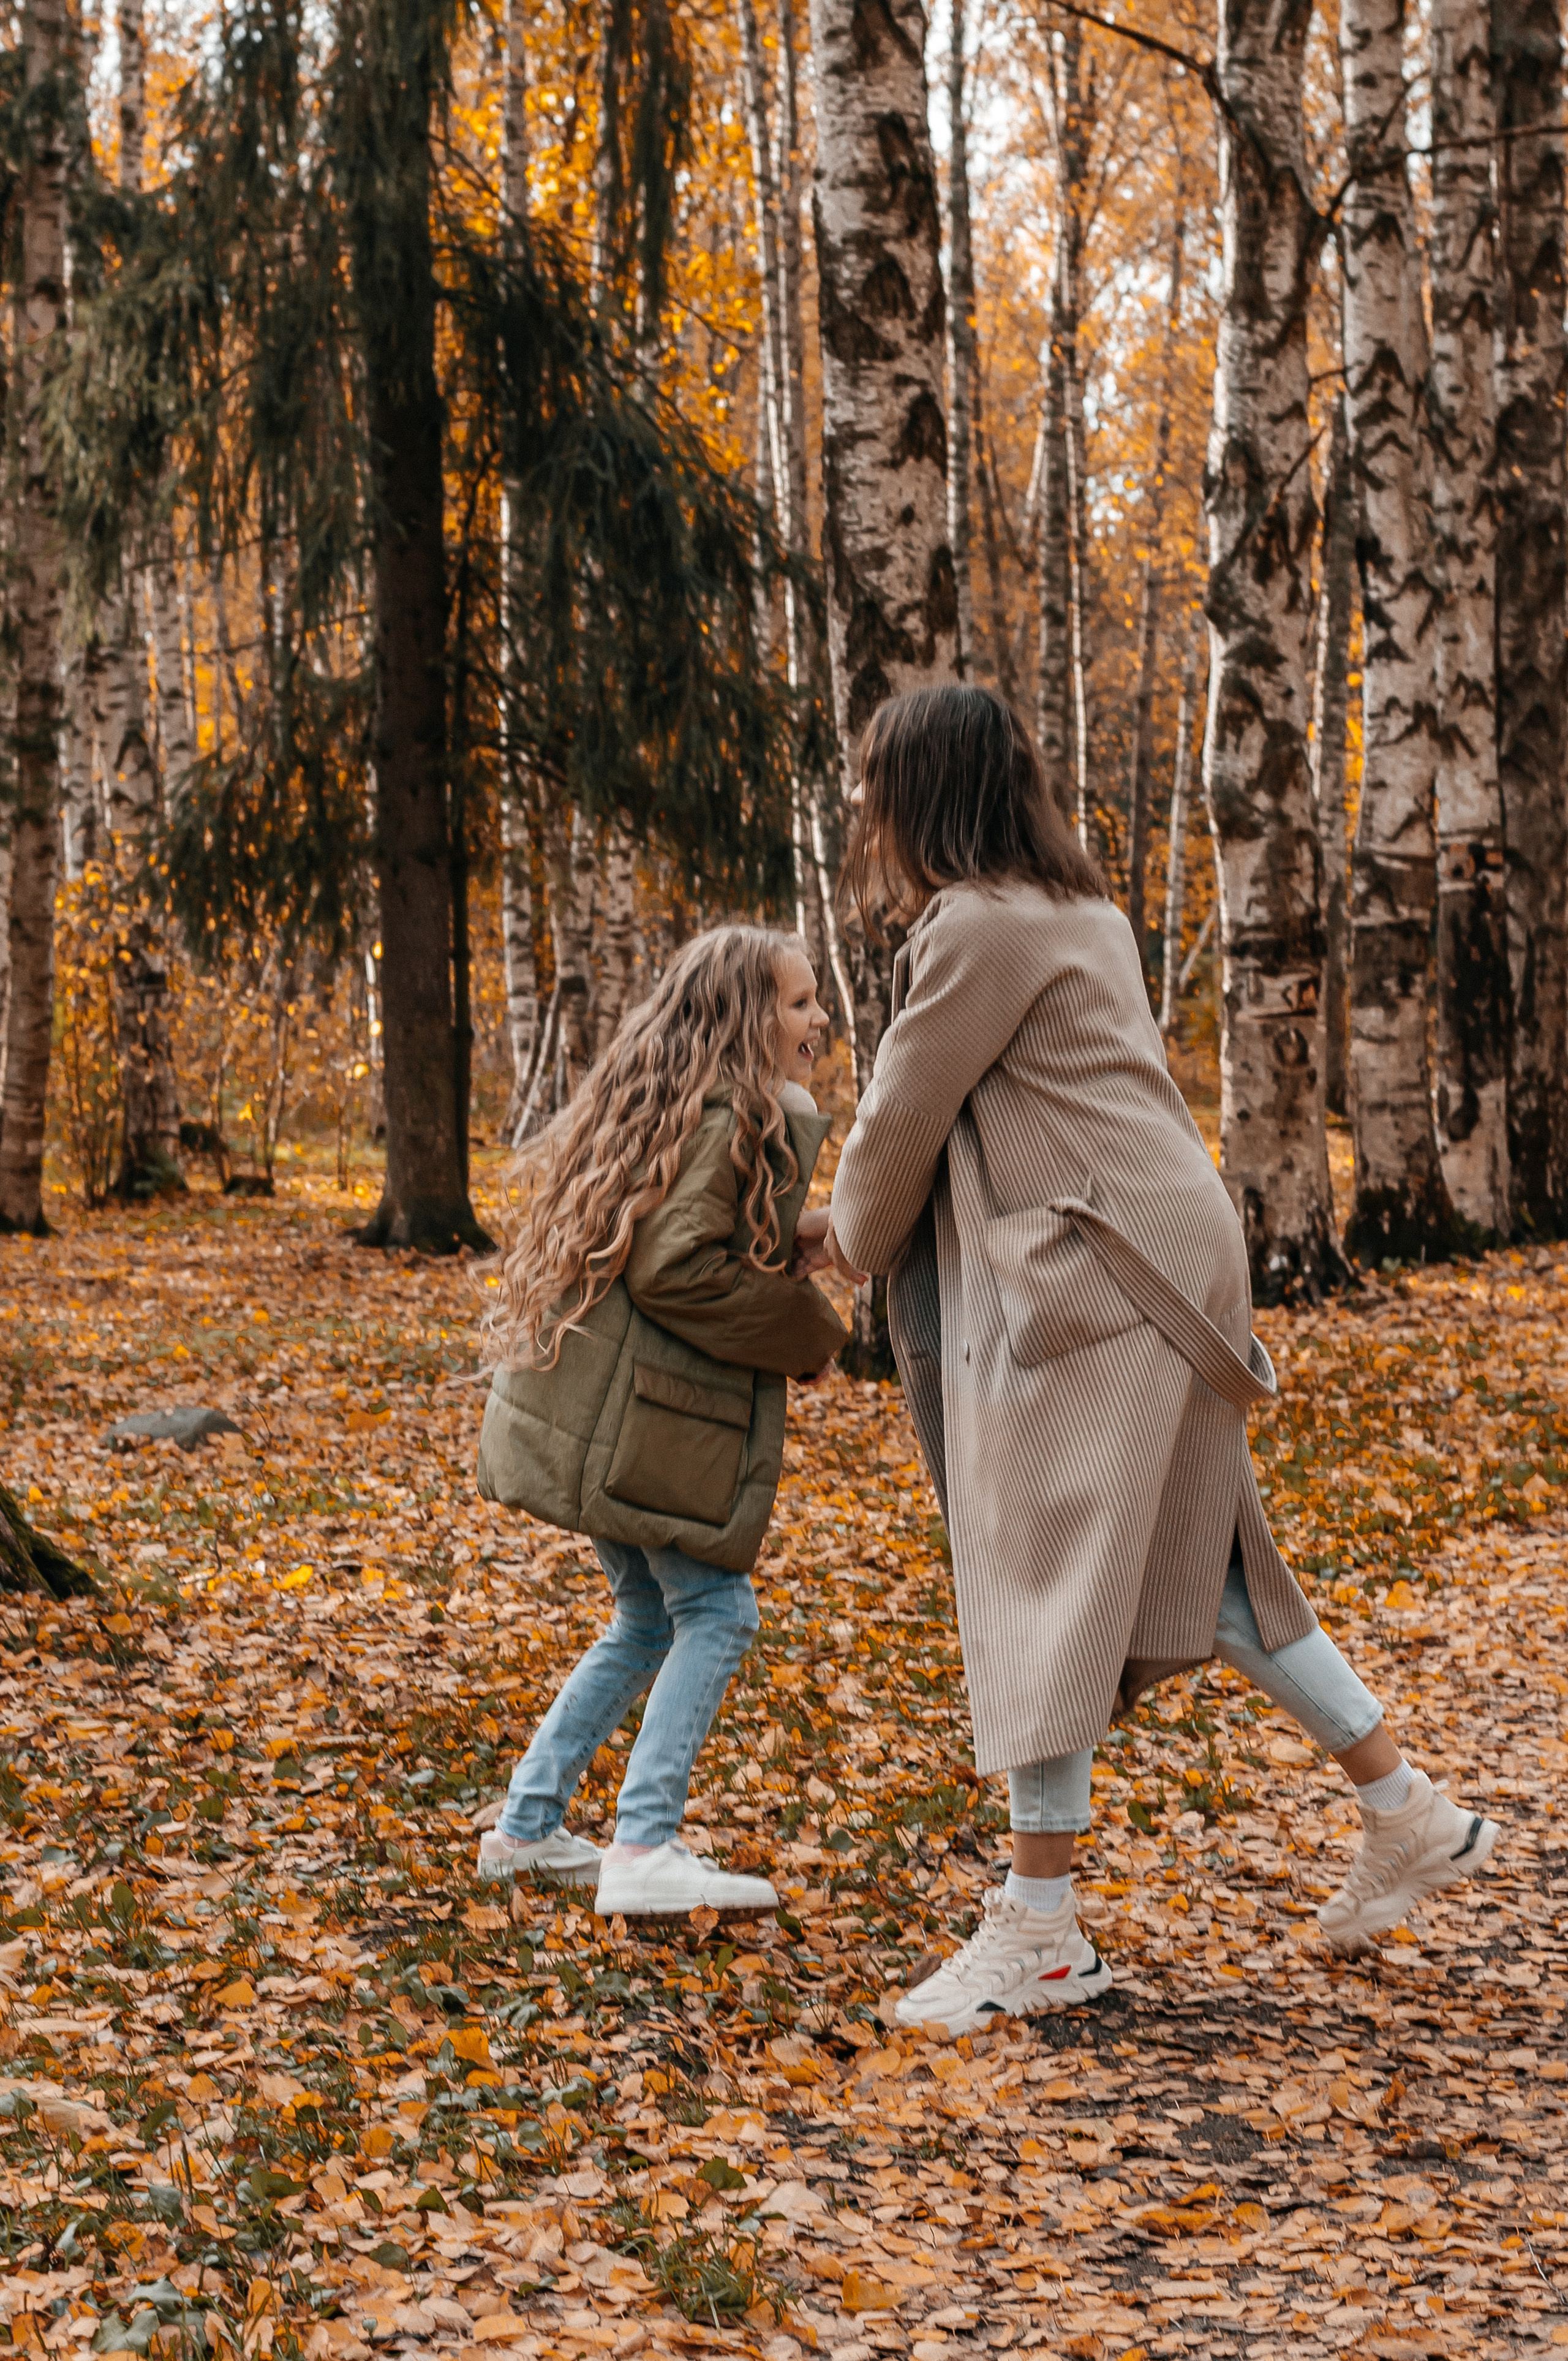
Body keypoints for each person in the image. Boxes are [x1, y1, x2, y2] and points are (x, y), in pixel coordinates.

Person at [801, 684, 1500, 2034]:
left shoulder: (975, 930)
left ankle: (1039, 1927)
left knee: (1044, 1563)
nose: (859, 812)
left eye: (871, 786)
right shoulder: (1076, 911)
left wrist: (835, 1235)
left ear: (923, 794)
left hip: (1096, 1266)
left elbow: (897, 1124)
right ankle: (1401, 1806)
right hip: (1158, 1242)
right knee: (1203, 1567)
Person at [473, 926, 846, 1917]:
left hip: (621, 1420)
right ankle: (643, 1842)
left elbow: (693, 1234)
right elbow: (678, 1267)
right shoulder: (730, 1112)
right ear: (742, 1016)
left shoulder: (686, 1106)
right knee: (718, 1615)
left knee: (646, 1618)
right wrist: (808, 1326)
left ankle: (525, 1827)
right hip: (650, 1428)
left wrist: (794, 1231)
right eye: (800, 1002)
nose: (820, 1018)